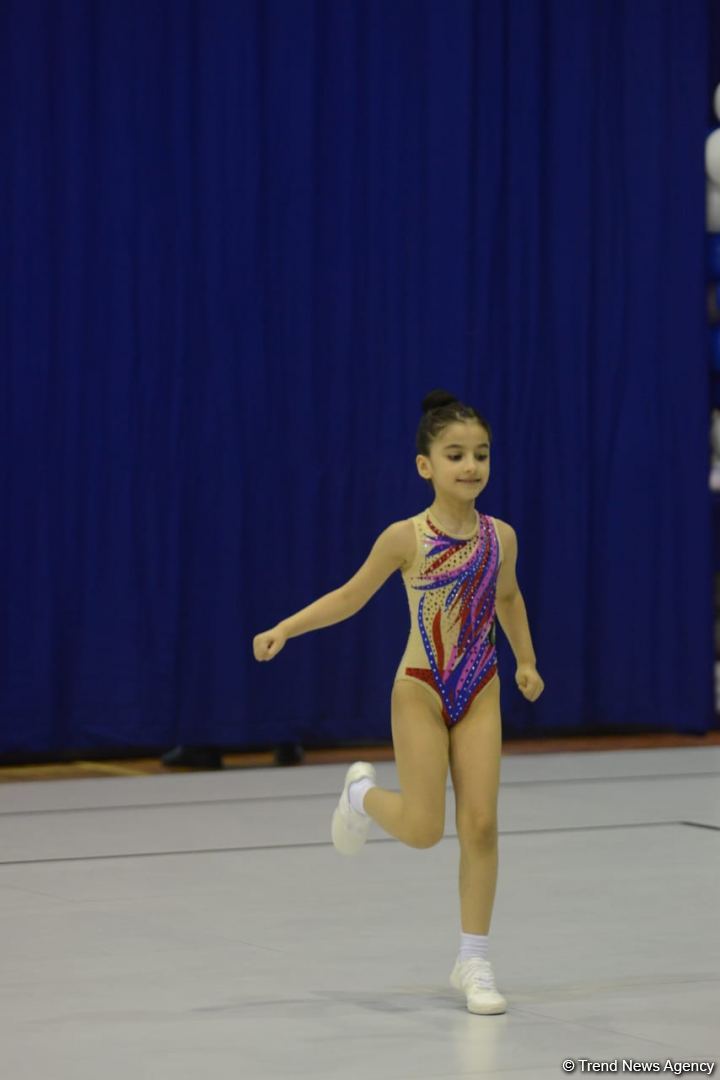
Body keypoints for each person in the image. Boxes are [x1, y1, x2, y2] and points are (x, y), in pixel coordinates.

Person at [252, 389, 544, 1015]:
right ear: (426, 465)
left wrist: (525, 660)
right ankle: (359, 796)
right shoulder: (405, 537)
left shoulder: (502, 538)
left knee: (483, 826)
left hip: (481, 688)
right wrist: (286, 627)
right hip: (420, 688)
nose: (470, 466)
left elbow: (509, 598)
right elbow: (350, 597)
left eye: (481, 455)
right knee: (421, 830)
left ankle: (474, 961)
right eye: (455, 454)